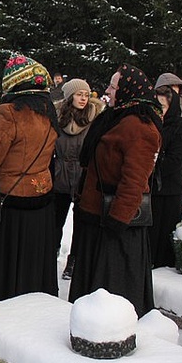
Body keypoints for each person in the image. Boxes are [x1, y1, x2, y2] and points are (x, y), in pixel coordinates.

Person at [68, 64, 162, 317]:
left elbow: (134, 182)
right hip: (95, 217)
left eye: (113, 86)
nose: (107, 91)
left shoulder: (139, 127)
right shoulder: (116, 117)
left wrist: (116, 222)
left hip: (114, 226)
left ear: (128, 89)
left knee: (110, 294)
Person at [0, 55, 59, 306]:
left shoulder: (8, 112)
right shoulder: (48, 112)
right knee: (35, 261)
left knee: (8, 263)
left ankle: (4, 303)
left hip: (11, 204)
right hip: (42, 201)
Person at [52, 79, 104, 279]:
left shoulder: (95, 118)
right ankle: (51, 253)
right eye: (79, 94)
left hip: (83, 174)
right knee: (56, 220)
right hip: (60, 173)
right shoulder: (57, 117)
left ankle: (74, 261)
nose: (83, 98)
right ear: (69, 96)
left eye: (86, 94)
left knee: (81, 222)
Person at [149, 84, 182, 268]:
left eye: (161, 106)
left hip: (168, 192)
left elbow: (176, 161)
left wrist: (150, 166)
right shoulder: (151, 124)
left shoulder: (181, 128)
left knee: (162, 241)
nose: (157, 111)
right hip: (149, 190)